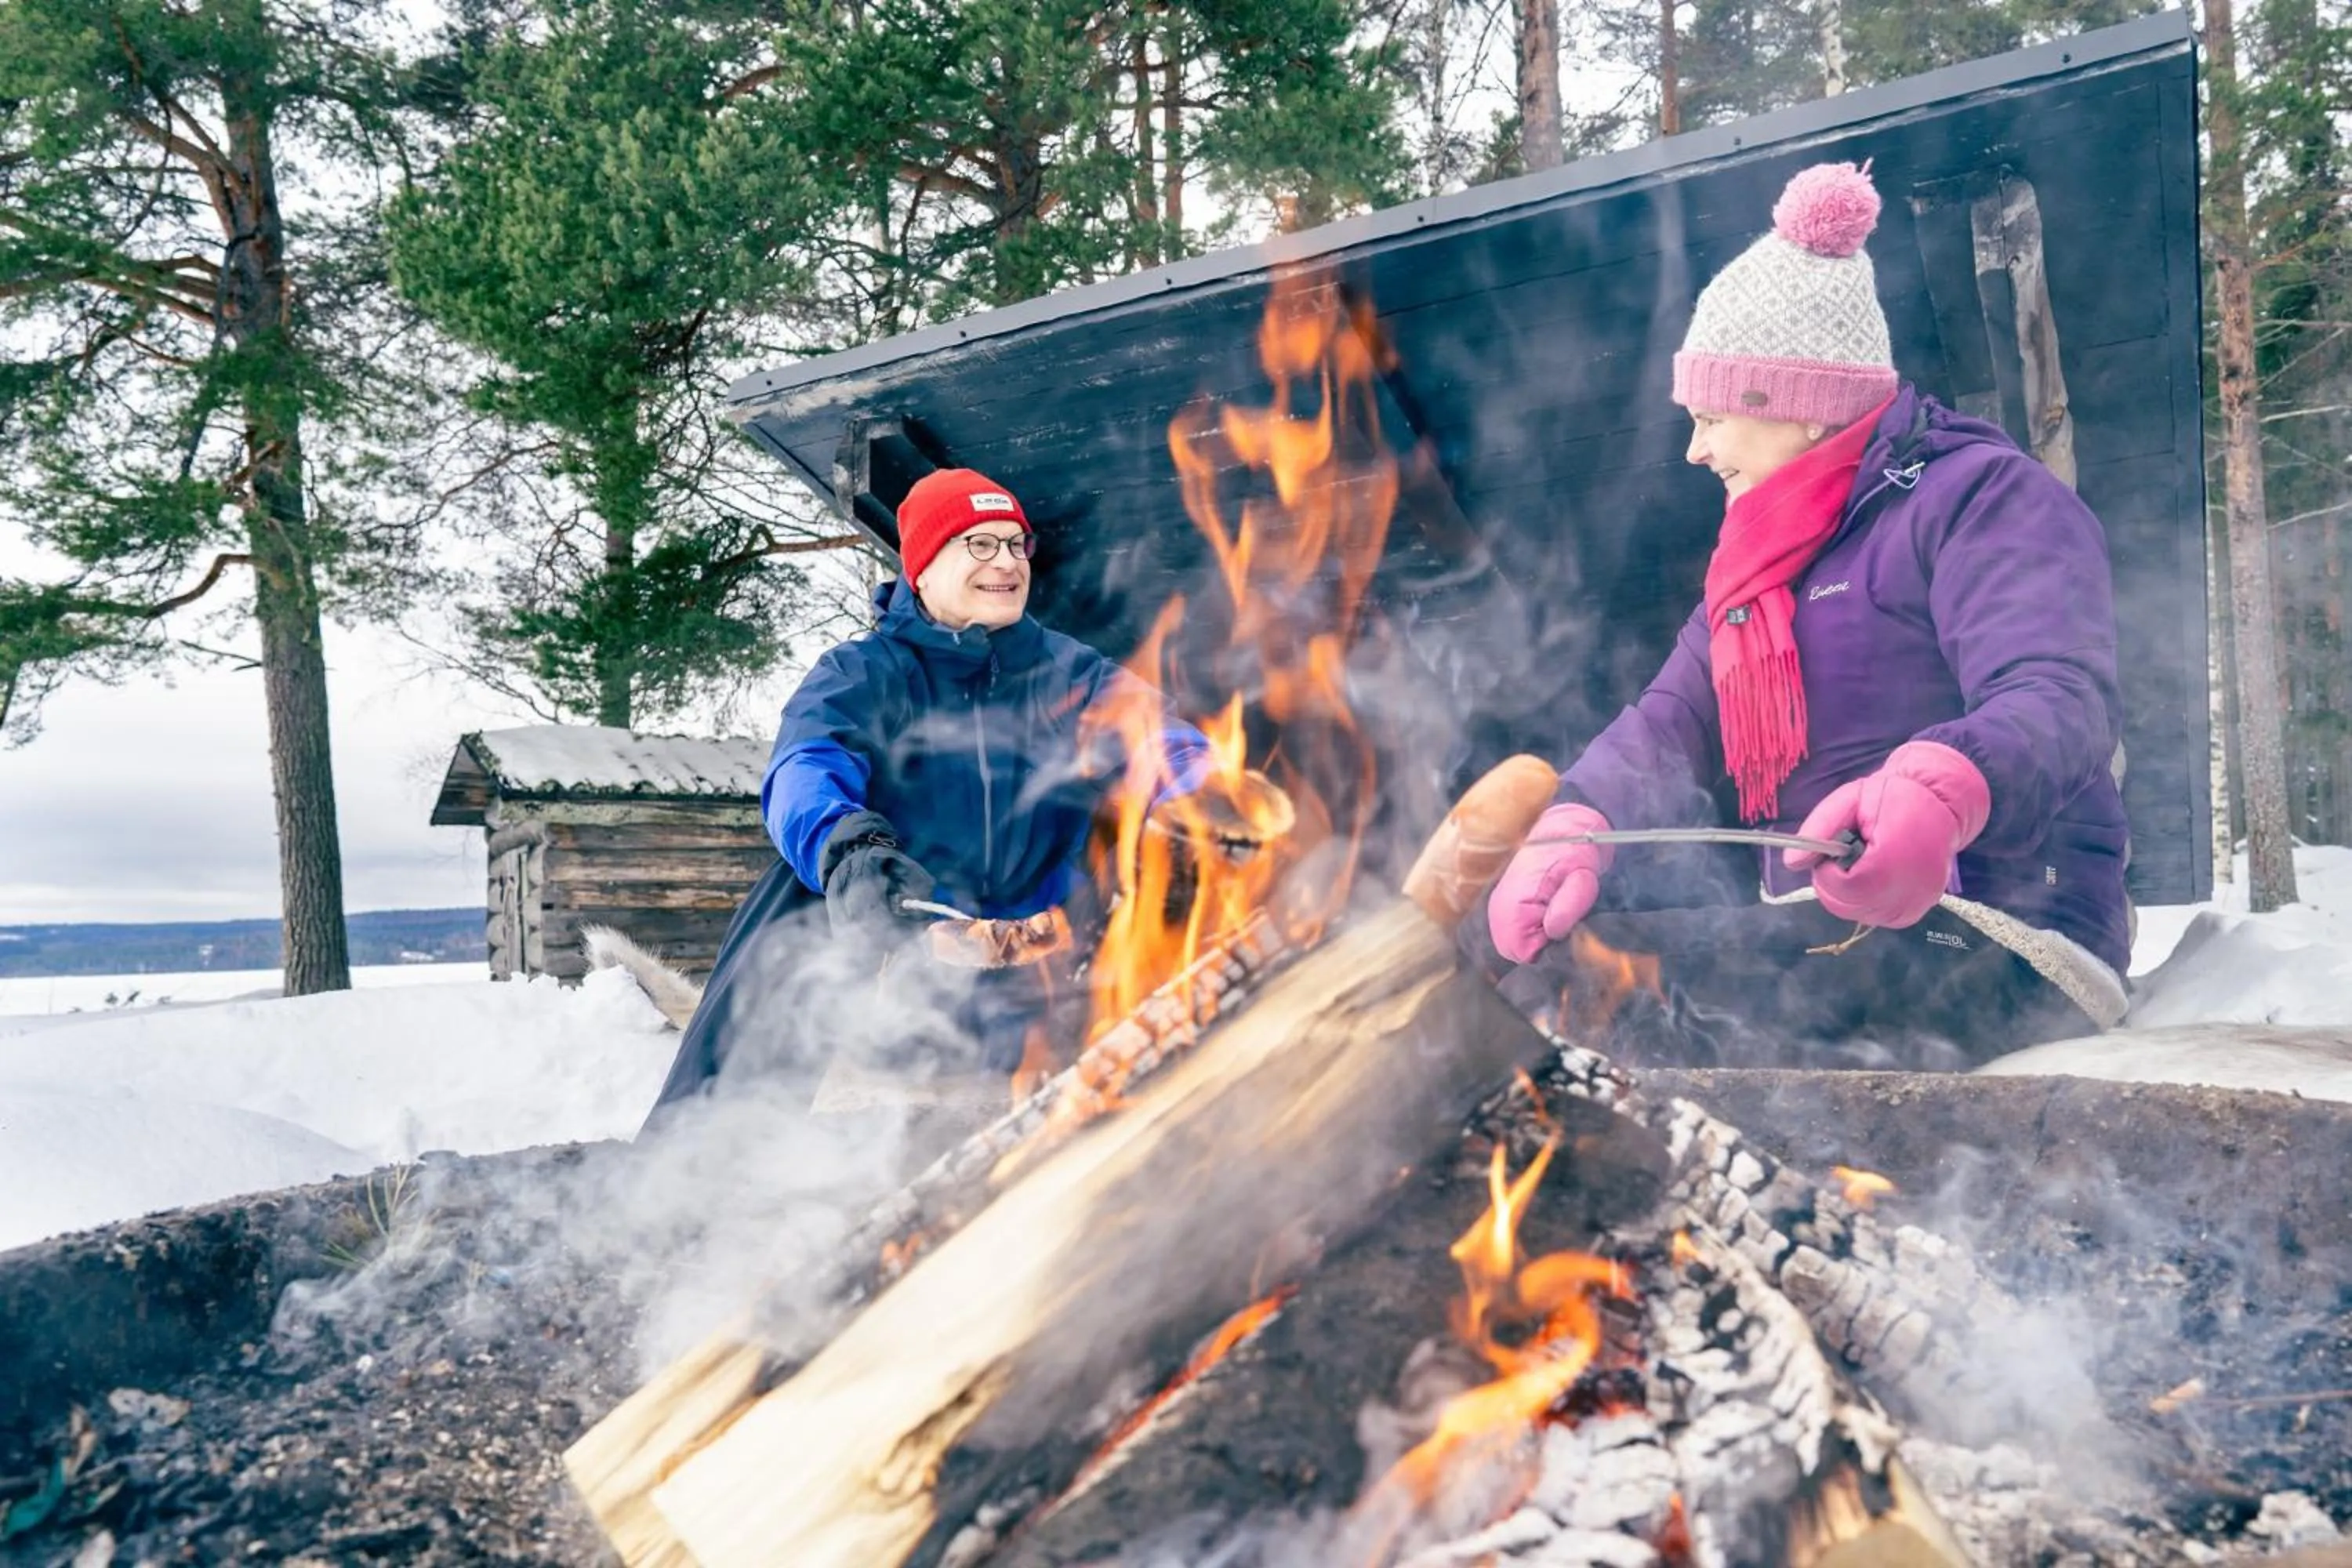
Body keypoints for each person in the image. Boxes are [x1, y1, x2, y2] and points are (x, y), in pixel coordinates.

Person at [1486, 162, 2132, 1071]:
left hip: (2008, 927)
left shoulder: (1978, 494)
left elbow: (2061, 693)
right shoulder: (1758, 568)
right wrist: (1578, 821)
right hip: (1838, 934)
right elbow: (1670, 723)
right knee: (1548, 981)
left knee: (1612, 1014)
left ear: (1795, 402)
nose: (1694, 447)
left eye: (1712, 415)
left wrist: (1943, 789)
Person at [649, 466, 1214, 1112]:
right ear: (924, 563)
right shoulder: (864, 672)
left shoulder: (1069, 669)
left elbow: (1164, 742)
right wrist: (850, 852)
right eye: (980, 543)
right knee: (800, 884)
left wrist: (1199, 800)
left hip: (1056, 963)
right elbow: (805, 770)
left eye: (1014, 544)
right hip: (912, 958)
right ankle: (714, 1143)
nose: (1006, 561)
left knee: (1171, 852)